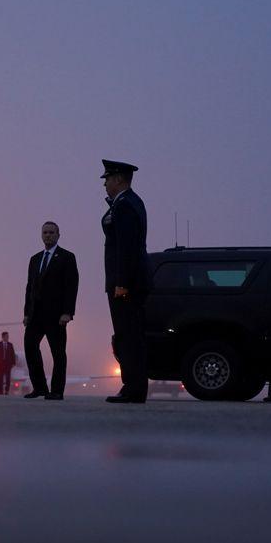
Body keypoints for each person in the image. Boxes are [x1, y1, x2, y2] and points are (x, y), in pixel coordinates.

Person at [101, 159, 151, 404]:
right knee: (129, 336)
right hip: (129, 280)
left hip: (126, 283)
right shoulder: (129, 202)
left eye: (108, 179)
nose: (105, 184)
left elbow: (126, 248)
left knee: (128, 336)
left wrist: (121, 282)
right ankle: (132, 386)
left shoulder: (125, 206)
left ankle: (133, 389)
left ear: (119, 179)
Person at [23, 222, 79, 400]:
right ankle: (39, 387)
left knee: (58, 353)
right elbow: (29, 287)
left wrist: (67, 312)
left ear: (58, 235)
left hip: (56, 315)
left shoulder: (67, 257)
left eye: (51, 232)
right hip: (35, 314)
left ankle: (56, 391)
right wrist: (26, 312)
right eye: (45, 232)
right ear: (41, 235)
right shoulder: (35, 258)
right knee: (30, 347)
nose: (48, 235)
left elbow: (71, 287)